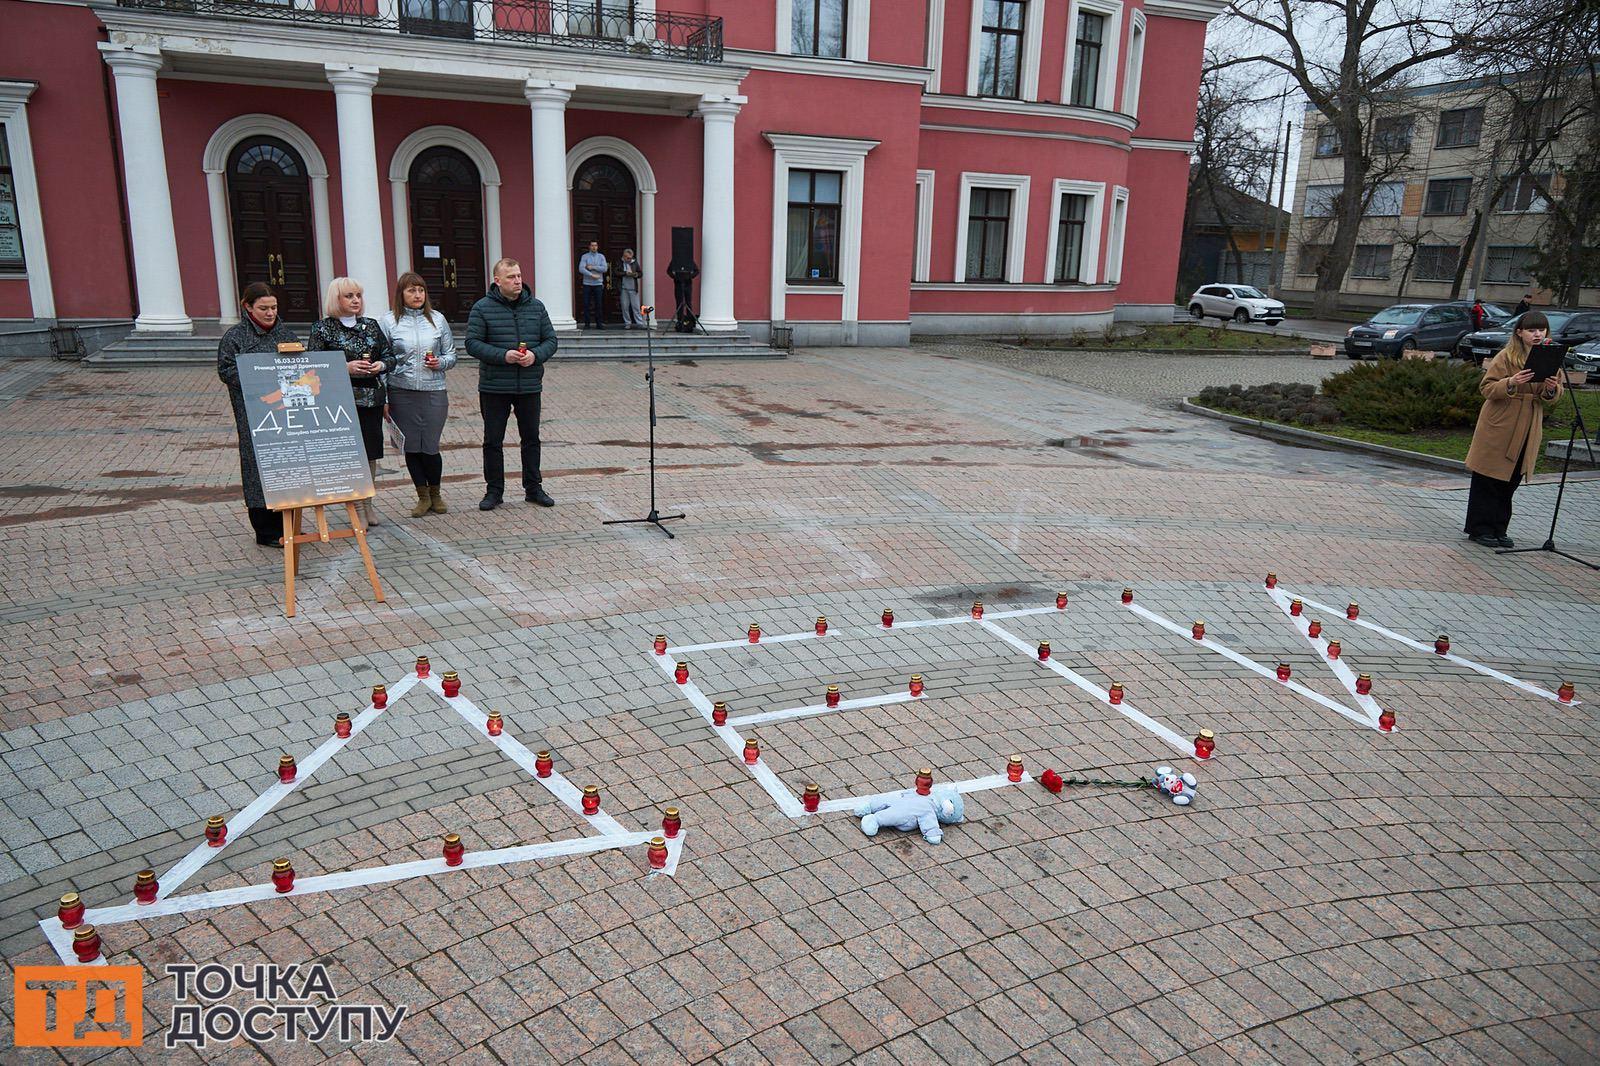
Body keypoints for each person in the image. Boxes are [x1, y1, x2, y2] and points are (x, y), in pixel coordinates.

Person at [1463, 311, 1563, 548]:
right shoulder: (1506, 356)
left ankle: (1499, 528)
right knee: (1489, 477)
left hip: (1528, 425)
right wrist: (1511, 382)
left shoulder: (1550, 357)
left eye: (1541, 330)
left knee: (1512, 479)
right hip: (1501, 424)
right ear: (1520, 332)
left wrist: (1550, 389)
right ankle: (1479, 529)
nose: (1537, 334)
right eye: (1531, 330)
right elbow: (1486, 388)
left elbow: (1552, 396)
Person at [465, 258, 558, 510]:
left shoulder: (536, 307)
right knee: (493, 441)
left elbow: (551, 340)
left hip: (529, 385)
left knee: (531, 439)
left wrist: (535, 355)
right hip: (495, 387)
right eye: (511, 277)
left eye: (518, 275)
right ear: (497, 281)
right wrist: (503, 356)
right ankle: (494, 491)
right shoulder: (482, 308)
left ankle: (533, 488)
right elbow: (472, 343)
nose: (517, 281)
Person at [217, 282, 301, 546]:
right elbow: (226, 371)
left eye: (273, 307)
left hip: (285, 413)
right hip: (254, 414)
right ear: (248, 307)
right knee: (257, 470)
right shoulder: (234, 337)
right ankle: (265, 531)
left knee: (286, 466)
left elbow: (301, 368)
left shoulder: (287, 335)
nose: (270, 313)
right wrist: (260, 380)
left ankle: (289, 525)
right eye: (263, 308)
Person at [310, 278, 395, 528]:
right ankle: (355, 503)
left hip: (371, 399)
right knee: (350, 453)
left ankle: (367, 502)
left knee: (370, 453)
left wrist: (381, 365)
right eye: (349, 296)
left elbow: (389, 356)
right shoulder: (322, 328)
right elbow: (313, 366)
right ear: (336, 299)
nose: (356, 300)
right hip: (340, 400)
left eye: (358, 295)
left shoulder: (371, 325)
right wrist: (343, 367)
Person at [381, 272, 457, 518]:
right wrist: (384, 398)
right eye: (411, 291)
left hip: (434, 391)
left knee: (431, 447)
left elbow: (452, 355)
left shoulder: (437, 320)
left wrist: (440, 363)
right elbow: (382, 360)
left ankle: (436, 494)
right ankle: (422, 496)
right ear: (401, 294)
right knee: (412, 447)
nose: (417, 295)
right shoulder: (388, 322)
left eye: (421, 291)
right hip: (401, 392)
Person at [578, 240, 608, 329]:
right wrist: (591, 274)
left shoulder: (601, 257)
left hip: (598, 284)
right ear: (589, 247)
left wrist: (592, 267)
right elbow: (581, 269)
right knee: (586, 304)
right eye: (592, 245)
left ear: (597, 247)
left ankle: (599, 323)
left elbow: (605, 268)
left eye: (595, 245)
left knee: (598, 304)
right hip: (587, 284)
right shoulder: (585, 257)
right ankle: (587, 324)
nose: (594, 247)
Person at [617, 248, 644, 328]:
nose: (629, 259)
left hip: (633, 288)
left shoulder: (634, 263)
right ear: (624, 256)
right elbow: (616, 272)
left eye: (630, 258)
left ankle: (639, 323)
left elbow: (640, 273)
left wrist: (636, 274)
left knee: (636, 306)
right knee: (625, 306)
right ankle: (627, 323)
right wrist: (625, 273)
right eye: (628, 258)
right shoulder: (620, 263)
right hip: (623, 288)